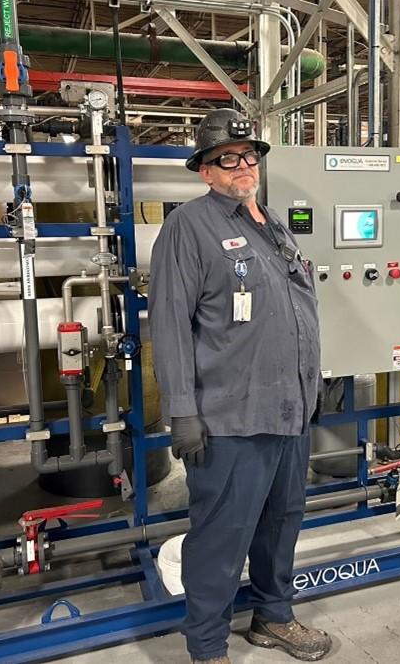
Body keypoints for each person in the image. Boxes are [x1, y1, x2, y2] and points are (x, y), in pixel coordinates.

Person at [149, 108, 331, 663]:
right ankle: (207, 647)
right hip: (230, 417)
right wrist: (182, 409)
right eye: (226, 158)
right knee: (221, 535)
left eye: (249, 155)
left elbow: (297, 310)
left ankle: (272, 617)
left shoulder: (272, 223)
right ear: (205, 170)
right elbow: (170, 324)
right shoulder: (188, 226)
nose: (241, 165)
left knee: (282, 522)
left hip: (288, 410)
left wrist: (313, 386)